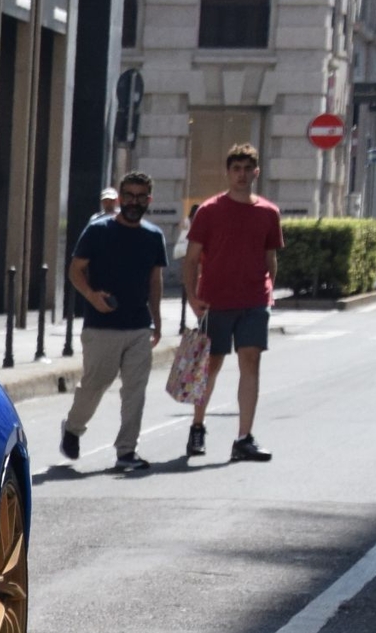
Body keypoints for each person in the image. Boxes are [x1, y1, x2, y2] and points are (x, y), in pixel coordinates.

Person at [60, 171, 166, 474]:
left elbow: (155, 281)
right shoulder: (98, 231)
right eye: (129, 196)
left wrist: (156, 321)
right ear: (120, 199)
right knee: (95, 384)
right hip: (101, 325)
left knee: (135, 390)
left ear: (149, 200)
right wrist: (92, 297)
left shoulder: (153, 236)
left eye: (140, 196)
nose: (134, 202)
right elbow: (75, 270)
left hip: (138, 326)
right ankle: (73, 428)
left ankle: (126, 451)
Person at [183, 142, 280, 462]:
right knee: (211, 365)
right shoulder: (209, 210)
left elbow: (271, 257)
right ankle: (198, 427)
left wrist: (270, 292)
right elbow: (192, 258)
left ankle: (244, 437)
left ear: (256, 172)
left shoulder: (268, 212)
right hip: (215, 301)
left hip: (254, 299)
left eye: (246, 169)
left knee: (250, 362)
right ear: (228, 172)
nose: (241, 175)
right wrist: (192, 297)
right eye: (235, 169)